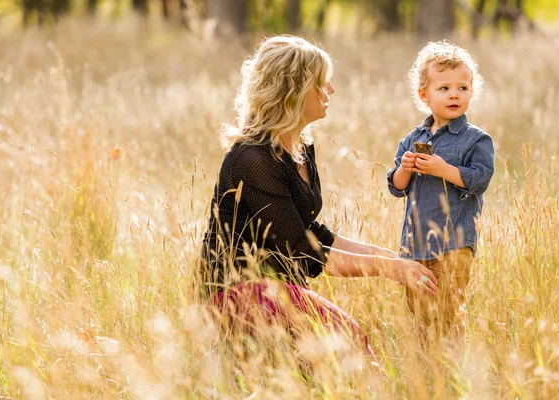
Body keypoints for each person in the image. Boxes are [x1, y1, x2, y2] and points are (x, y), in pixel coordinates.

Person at [199, 35, 439, 362]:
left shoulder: (301, 148)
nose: (331, 90)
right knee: (348, 340)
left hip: (281, 291)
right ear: (294, 90)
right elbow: (303, 252)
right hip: (238, 296)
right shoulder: (251, 159)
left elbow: (313, 232)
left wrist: (390, 257)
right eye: (322, 83)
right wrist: (387, 267)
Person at [386, 40, 495, 349]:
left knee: (447, 312)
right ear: (425, 95)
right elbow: (395, 186)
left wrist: (443, 169)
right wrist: (405, 168)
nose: (454, 95)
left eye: (462, 88)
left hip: (455, 243)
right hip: (416, 245)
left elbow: (480, 179)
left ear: (472, 92)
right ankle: (430, 370)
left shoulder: (476, 139)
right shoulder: (413, 138)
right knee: (421, 314)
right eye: (444, 88)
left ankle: (453, 369)